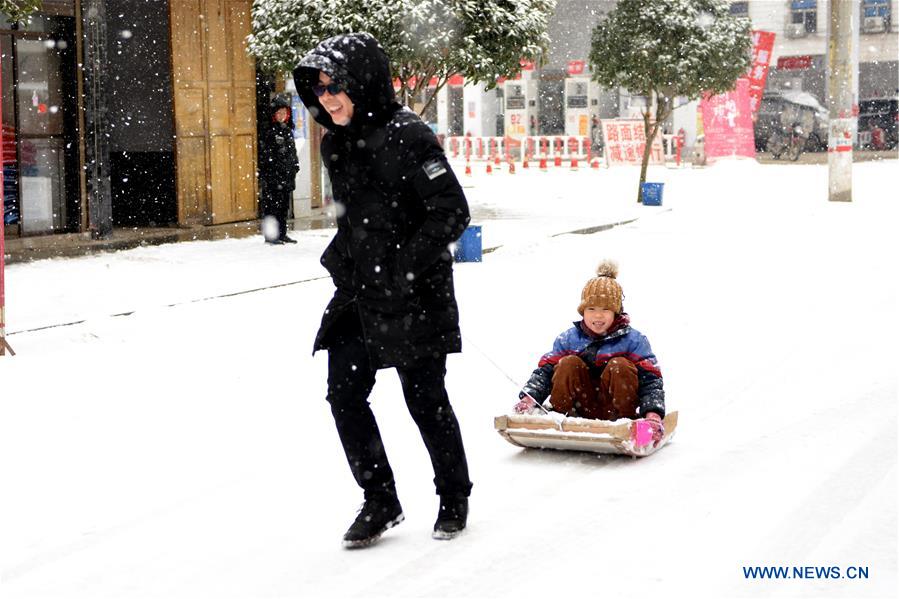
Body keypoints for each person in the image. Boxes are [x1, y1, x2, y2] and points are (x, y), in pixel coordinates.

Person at [293, 32, 473, 549]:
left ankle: (454, 495)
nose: (327, 98)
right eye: (319, 89)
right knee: (344, 396)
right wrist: (343, 259)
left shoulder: (410, 136)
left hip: (416, 293)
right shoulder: (334, 143)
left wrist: (403, 269)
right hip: (359, 295)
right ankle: (381, 499)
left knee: (425, 400)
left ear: (363, 83)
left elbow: (451, 212)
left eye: (336, 87)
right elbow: (357, 217)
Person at [515, 260, 666, 445]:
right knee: (568, 363)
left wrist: (653, 415)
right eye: (591, 309)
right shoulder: (569, 339)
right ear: (582, 311)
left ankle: (627, 423)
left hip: (617, 411)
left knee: (620, 365)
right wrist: (529, 400)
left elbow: (651, 380)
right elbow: (544, 373)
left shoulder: (634, 341)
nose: (598, 316)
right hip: (578, 409)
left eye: (605, 310)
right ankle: (558, 416)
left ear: (616, 312)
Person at [259, 94, 299, 244]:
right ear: (274, 114)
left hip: (286, 176)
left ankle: (282, 233)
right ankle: (271, 236)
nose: (282, 116)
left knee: (283, 207)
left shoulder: (288, 130)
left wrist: (295, 166)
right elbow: (266, 155)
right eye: (279, 113)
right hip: (273, 177)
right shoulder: (269, 131)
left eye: (284, 113)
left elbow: (292, 152)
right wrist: (271, 170)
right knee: (272, 207)